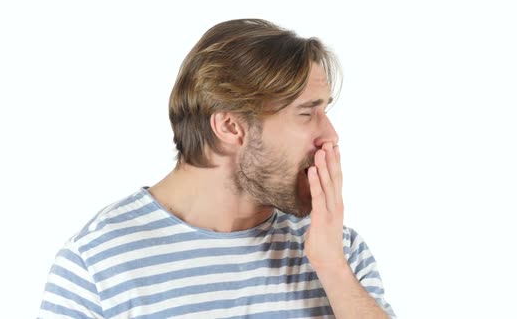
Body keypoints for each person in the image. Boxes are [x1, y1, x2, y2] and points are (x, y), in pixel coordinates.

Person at [39, 18, 397, 319]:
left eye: (325, 112)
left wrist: (332, 266)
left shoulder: (339, 250)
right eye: (307, 113)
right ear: (230, 127)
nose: (330, 136)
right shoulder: (97, 264)